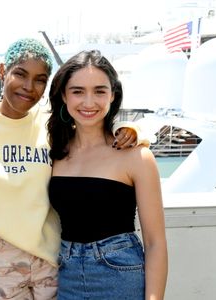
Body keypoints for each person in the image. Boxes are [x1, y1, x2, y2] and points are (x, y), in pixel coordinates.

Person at [0, 38, 143, 299]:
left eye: (40, 79)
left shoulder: (50, 125)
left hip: (53, 255)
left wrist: (134, 130)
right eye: (20, 74)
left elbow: (93, 128)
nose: (28, 86)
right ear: (3, 72)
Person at [47, 50, 168, 299]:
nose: (89, 102)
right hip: (65, 275)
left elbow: (155, 242)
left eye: (100, 91)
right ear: (63, 95)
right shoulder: (53, 151)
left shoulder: (137, 156)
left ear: (113, 95)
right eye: (78, 91)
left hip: (120, 275)